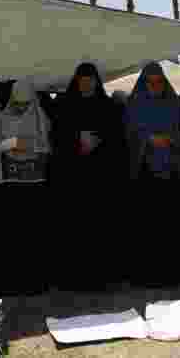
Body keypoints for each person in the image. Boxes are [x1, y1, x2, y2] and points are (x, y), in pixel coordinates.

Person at [49, 62, 128, 289]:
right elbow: (55, 135)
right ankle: (72, 277)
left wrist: (98, 142)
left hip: (100, 178)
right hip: (72, 177)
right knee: (74, 228)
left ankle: (103, 276)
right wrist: (76, 141)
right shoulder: (63, 104)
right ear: (77, 81)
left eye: (91, 79)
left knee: (99, 228)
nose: (87, 83)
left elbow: (118, 140)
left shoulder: (107, 106)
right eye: (83, 79)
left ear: (96, 81)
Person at [0, 77, 52, 296]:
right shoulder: (2, 117)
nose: (22, 107)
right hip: (9, 184)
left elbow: (47, 145)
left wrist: (26, 144)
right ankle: (8, 281)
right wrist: (8, 146)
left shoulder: (38, 116)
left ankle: (33, 282)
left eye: (25, 103)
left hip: (33, 184)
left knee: (31, 233)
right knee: (10, 233)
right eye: (18, 102)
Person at [125, 62, 180, 287]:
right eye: (151, 82)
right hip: (144, 172)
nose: (156, 85)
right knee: (146, 227)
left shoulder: (175, 103)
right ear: (144, 82)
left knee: (169, 225)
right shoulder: (134, 104)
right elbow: (126, 134)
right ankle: (145, 275)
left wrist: (171, 140)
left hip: (171, 170)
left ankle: (170, 273)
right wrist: (147, 139)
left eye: (159, 81)